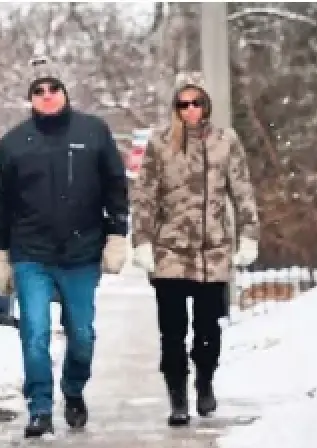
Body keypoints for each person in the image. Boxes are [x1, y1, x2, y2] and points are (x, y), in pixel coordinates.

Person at [0, 57, 131, 438]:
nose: (47, 96)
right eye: (39, 91)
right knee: (34, 332)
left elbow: (116, 187)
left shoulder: (94, 133)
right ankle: (40, 408)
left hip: (82, 252)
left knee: (82, 335)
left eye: (53, 89)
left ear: (65, 93)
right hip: (31, 252)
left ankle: (73, 390)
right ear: (30, 99)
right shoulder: (14, 143)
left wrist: (117, 235)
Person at [131, 71, 260, 426]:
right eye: (183, 104)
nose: (190, 110)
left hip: (213, 250)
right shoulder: (160, 143)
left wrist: (249, 233)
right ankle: (177, 397)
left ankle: (204, 381)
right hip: (170, 251)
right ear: (175, 107)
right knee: (172, 331)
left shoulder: (225, 141)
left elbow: (242, 189)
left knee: (208, 329)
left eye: (196, 103)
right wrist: (141, 240)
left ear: (206, 105)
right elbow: (144, 196)